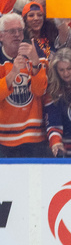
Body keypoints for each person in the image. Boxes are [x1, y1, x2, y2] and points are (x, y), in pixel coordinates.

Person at [0, 12, 48, 157]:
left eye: (20, 30)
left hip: (33, 136)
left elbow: (40, 91)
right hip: (4, 139)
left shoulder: (37, 54)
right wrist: (13, 73)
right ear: (1, 36)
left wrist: (35, 62)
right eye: (11, 31)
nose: (17, 35)